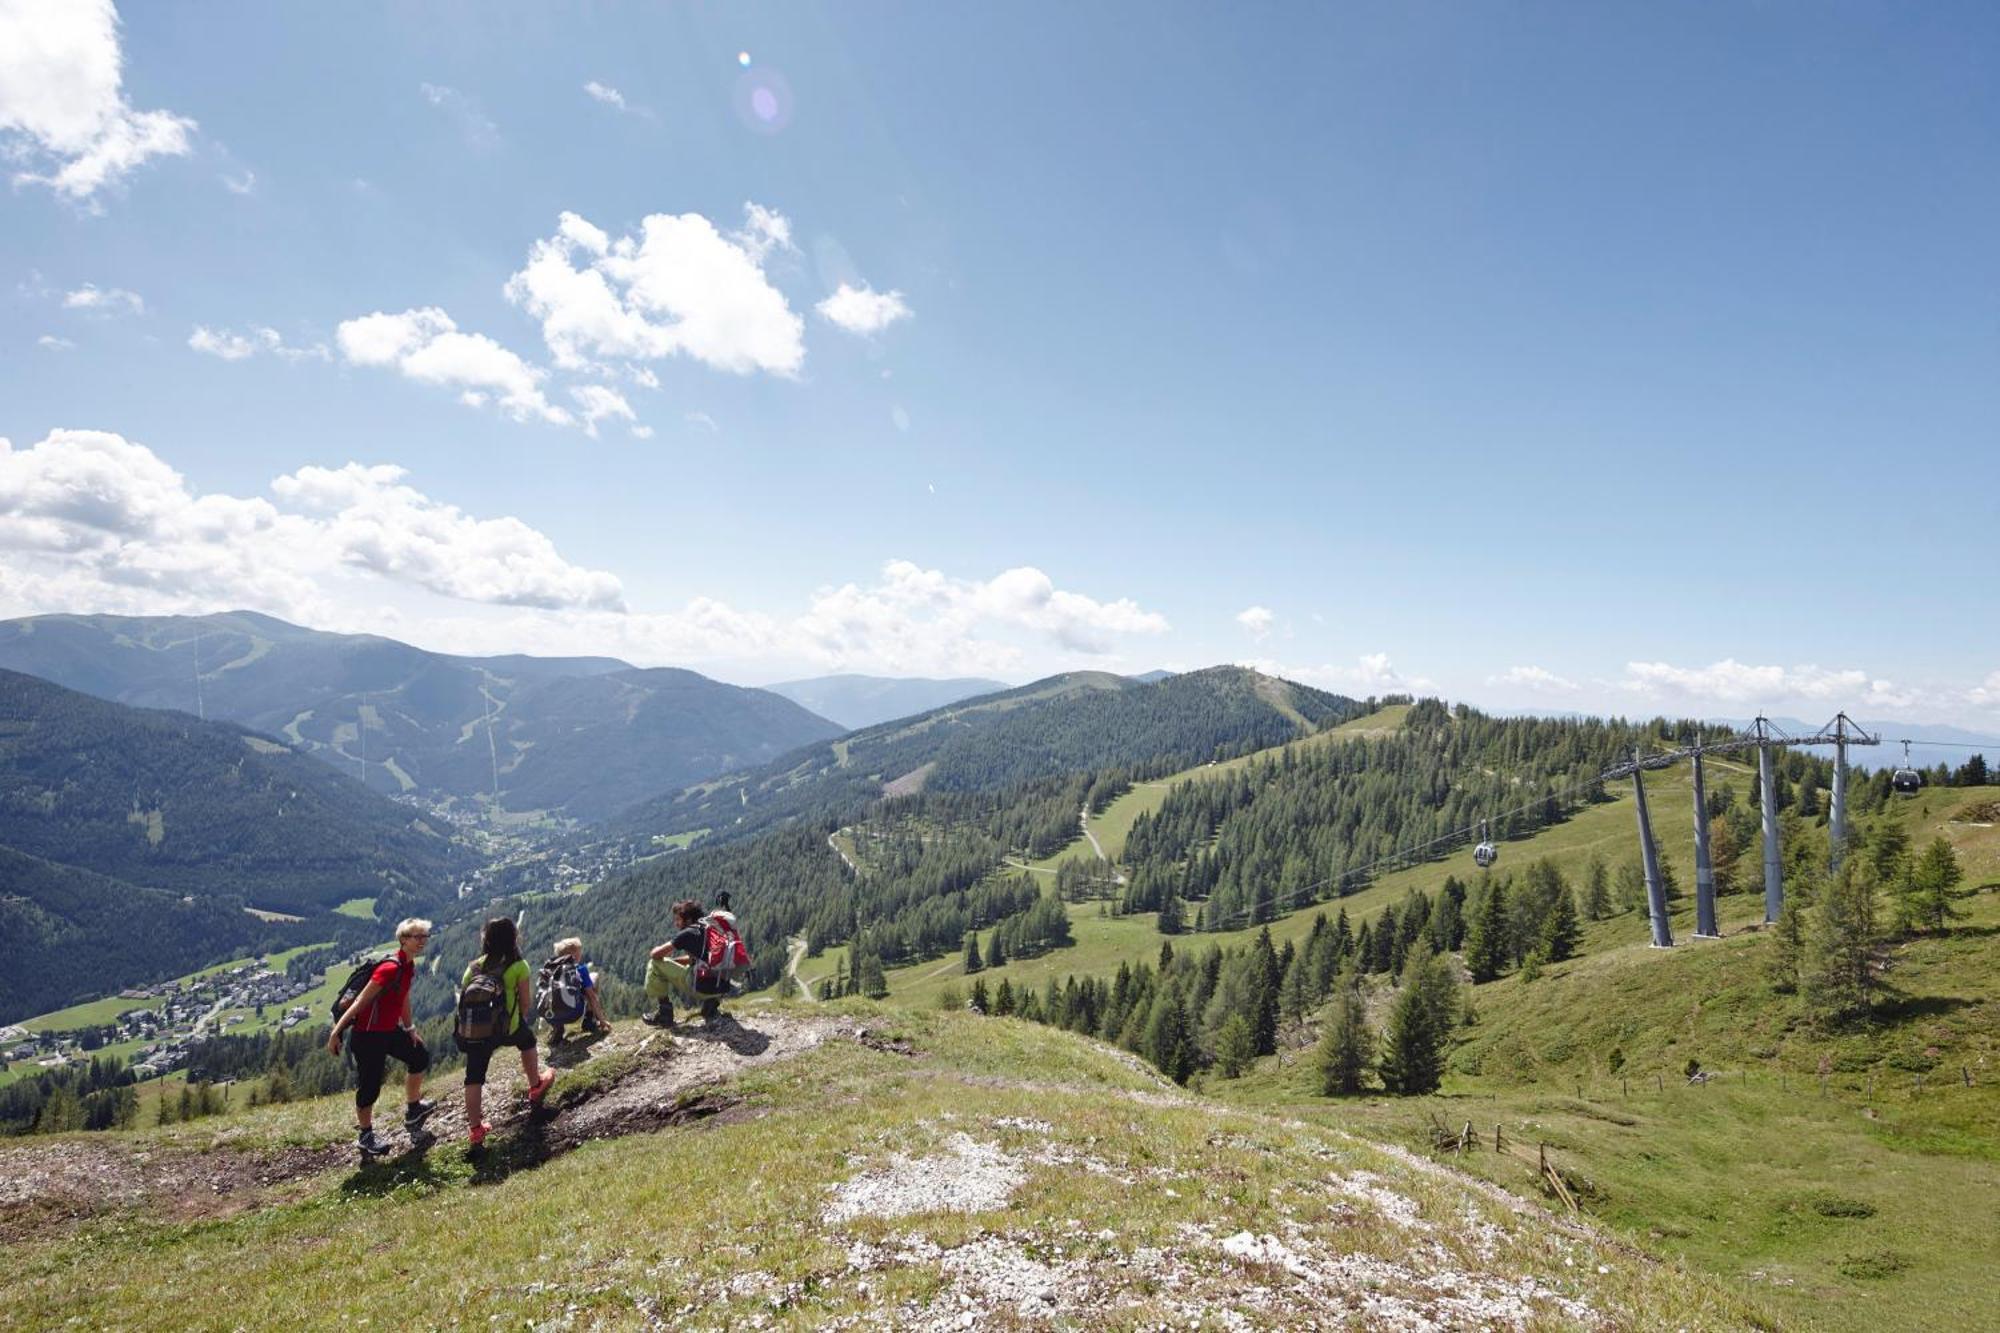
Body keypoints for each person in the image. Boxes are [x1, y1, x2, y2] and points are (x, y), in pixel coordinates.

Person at [326, 918, 437, 1157]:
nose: (422, 941)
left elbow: (403, 998)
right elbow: (359, 1001)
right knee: (370, 1087)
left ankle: (413, 1109)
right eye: (417, 937)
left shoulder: (408, 966)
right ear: (403, 940)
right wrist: (336, 1032)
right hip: (367, 1037)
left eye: (425, 936)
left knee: (419, 1056)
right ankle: (366, 1136)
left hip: (389, 1031)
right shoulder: (389, 968)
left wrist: (410, 1029)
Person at [458, 916, 555, 1149]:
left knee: (473, 1077)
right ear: (513, 938)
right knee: (528, 1041)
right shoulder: (518, 965)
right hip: (507, 1026)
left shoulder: (473, 968)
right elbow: (524, 1003)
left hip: (477, 1031)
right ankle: (535, 1086)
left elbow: (464, 999)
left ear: (487, 939)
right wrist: (517, 1019)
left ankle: (475, 1130)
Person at [642, 899, 708, 1028]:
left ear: (688, 920)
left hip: (699, 985)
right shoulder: (706, 929)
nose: (676, 923)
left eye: (678, 920)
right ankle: (711, 1004)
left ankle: (664, 1014)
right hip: (718, 985)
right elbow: (694, 960)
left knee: (654, 964)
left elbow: (655, 955)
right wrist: (672, 962)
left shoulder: (687, 934)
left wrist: (658, 954)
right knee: (693, 966)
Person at [544, 936, 611, 1045]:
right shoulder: (580, 969)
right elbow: (592, 997)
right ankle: (588, 1021)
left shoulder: (550, 970)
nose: (581, 954)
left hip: (550, 1016)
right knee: (593, 977)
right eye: (579, 951)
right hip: (573, 1013)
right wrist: (602, 1022)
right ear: (574, 955)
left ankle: (557, 1028)